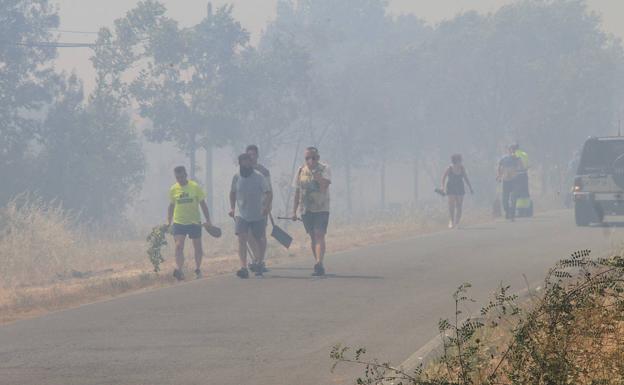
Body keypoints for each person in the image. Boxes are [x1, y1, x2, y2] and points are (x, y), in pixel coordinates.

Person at [229, 153, 272, 278]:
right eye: (243, 162)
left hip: (258, 213)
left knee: (260, 239)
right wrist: (232, 208)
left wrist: (266, 207)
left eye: (248, 161)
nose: (246, 164)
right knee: (242, 238)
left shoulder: (259, 177)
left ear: (251, 163)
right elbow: (232, 192)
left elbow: (268, 193)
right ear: (240, 163)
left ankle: (259, 262)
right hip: (241, 213)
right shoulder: (236, 177)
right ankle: (243, 267)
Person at [167, 166, 213, 280]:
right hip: (179, 222)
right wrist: (168, 221)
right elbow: (171, 206)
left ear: (186, 175)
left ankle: (197, 269)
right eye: (177, 177)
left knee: (197, 246)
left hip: (194, 222)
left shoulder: (195, 187)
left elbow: (203, 204)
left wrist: (208, 220)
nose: (180, 179)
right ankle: (179, 270)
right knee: (178, 246)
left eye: (182, 177)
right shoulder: (173, 189)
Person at [292, 147, 332, 276]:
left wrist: (316, 175)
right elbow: (297, 191)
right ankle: (318, 262)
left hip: (321, 207)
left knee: (319, 233)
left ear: (318, 158)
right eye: (307, 158)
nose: (310, 160)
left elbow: (325, 185)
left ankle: (319, 262)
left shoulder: (325, 168)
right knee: (313, 236)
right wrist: (294, 211)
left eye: (313, 158)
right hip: (306, 208)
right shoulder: (300, 171)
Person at [246, 145, 271, 273]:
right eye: (249, 155)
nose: (251, 157)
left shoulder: (264, 171)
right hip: (246, 208)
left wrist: (268, 206)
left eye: (253, 155)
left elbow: (269, 190)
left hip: (261, 207)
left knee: (261, 235)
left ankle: (260, 261)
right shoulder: (242, 170)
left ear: (257, 155)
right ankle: (257, 259)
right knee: (248, 234)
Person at [441, 154, 473, 229]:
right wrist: (442, 187)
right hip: (451, 187)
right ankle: (451, 221)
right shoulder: (449, 168)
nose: (461, 162)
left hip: (460, 187)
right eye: (459, 161)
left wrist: (470, 187)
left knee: (459, 205)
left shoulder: (462, 168)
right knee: (451, 205)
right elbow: (443, 177)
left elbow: (466, 178)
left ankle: (457, 222)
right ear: (456, 161)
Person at [497, 145, 522, 221]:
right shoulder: (503, 159)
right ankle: (507, 212)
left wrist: (518, 165)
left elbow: (521, 166)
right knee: (505, 200)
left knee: (513, 198)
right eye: (511, 150)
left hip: (514, 180)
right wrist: (499, 176)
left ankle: (512, 215)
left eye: (514, 150)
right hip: (506, 181)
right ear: (508, 150)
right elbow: (500, 167)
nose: (512, 151)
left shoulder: (517, 159)